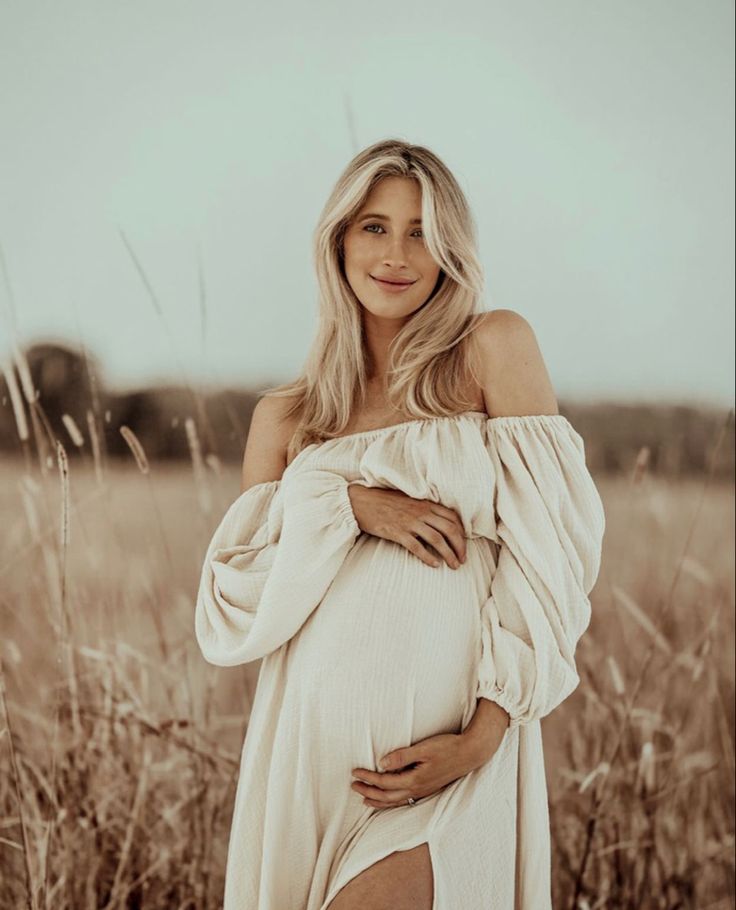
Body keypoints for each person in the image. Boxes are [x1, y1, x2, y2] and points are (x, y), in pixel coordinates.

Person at [195, 138, 606, 910]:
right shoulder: (287, 415)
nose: (397, 253)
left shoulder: (493, 349)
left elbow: (552, 559)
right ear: (339, 240)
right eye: (375, 227)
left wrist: (485, 733)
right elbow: (235, 599)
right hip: (311, 752)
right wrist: (349, 504)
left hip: (451, 752)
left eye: (421, 230)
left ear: (452, 247)